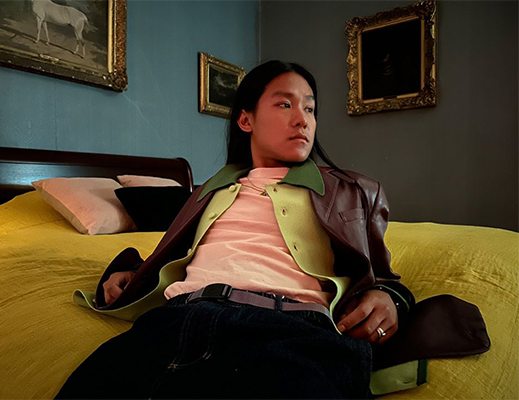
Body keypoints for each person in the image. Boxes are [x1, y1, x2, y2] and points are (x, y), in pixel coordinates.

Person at [56, 60, 416, 399]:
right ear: (246, 120)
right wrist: (131, 274)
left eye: (309, 108)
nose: (302, 120)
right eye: (285, 105)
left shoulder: (350, 189)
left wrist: (390, 299)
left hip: (290, 330)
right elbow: (179, 254)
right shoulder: (209, 191)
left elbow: (383, 277)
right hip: (175, 320)